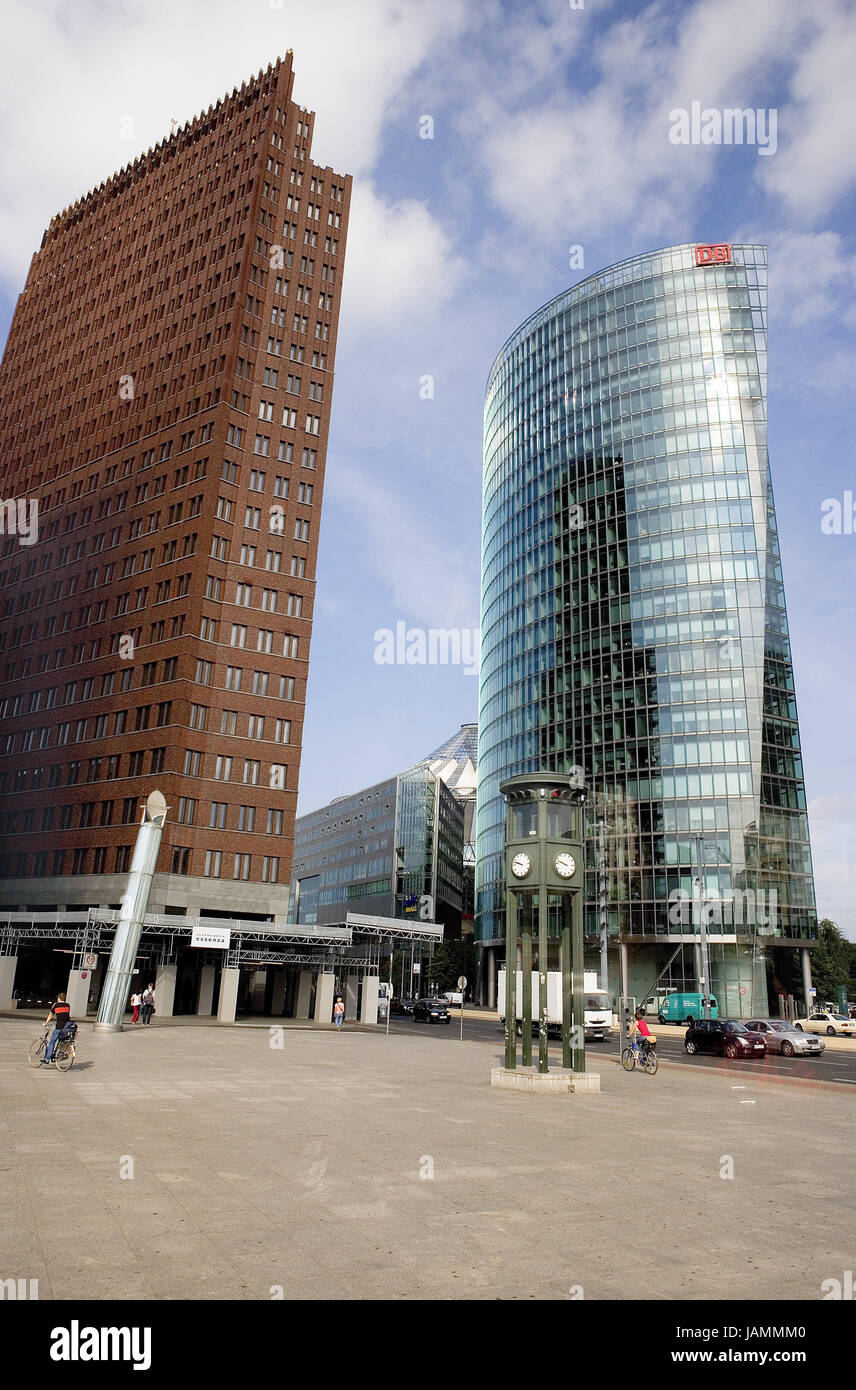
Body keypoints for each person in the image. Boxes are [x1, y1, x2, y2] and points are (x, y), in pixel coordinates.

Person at [43, 992, 72, 1065]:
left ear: (58, 998)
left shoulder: (56, 1005)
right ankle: (57, 1056)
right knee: (61, 1041)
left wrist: (45, 1023)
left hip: (59, 1027)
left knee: (52, 1042)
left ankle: (47, 1059)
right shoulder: (68, 1005)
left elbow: (50, 1015)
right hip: (67, 1028)